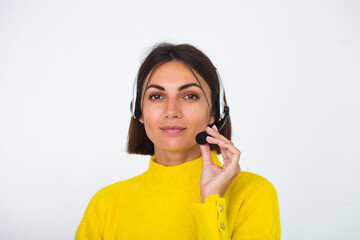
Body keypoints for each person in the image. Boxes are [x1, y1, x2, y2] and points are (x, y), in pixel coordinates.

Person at [75, 43, 281, 240]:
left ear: (214, 111)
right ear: (138, 111)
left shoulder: (252, 193)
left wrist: (211, 201)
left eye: (190, 96)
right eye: (156, 96)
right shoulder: (105, 204)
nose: (171, 111)